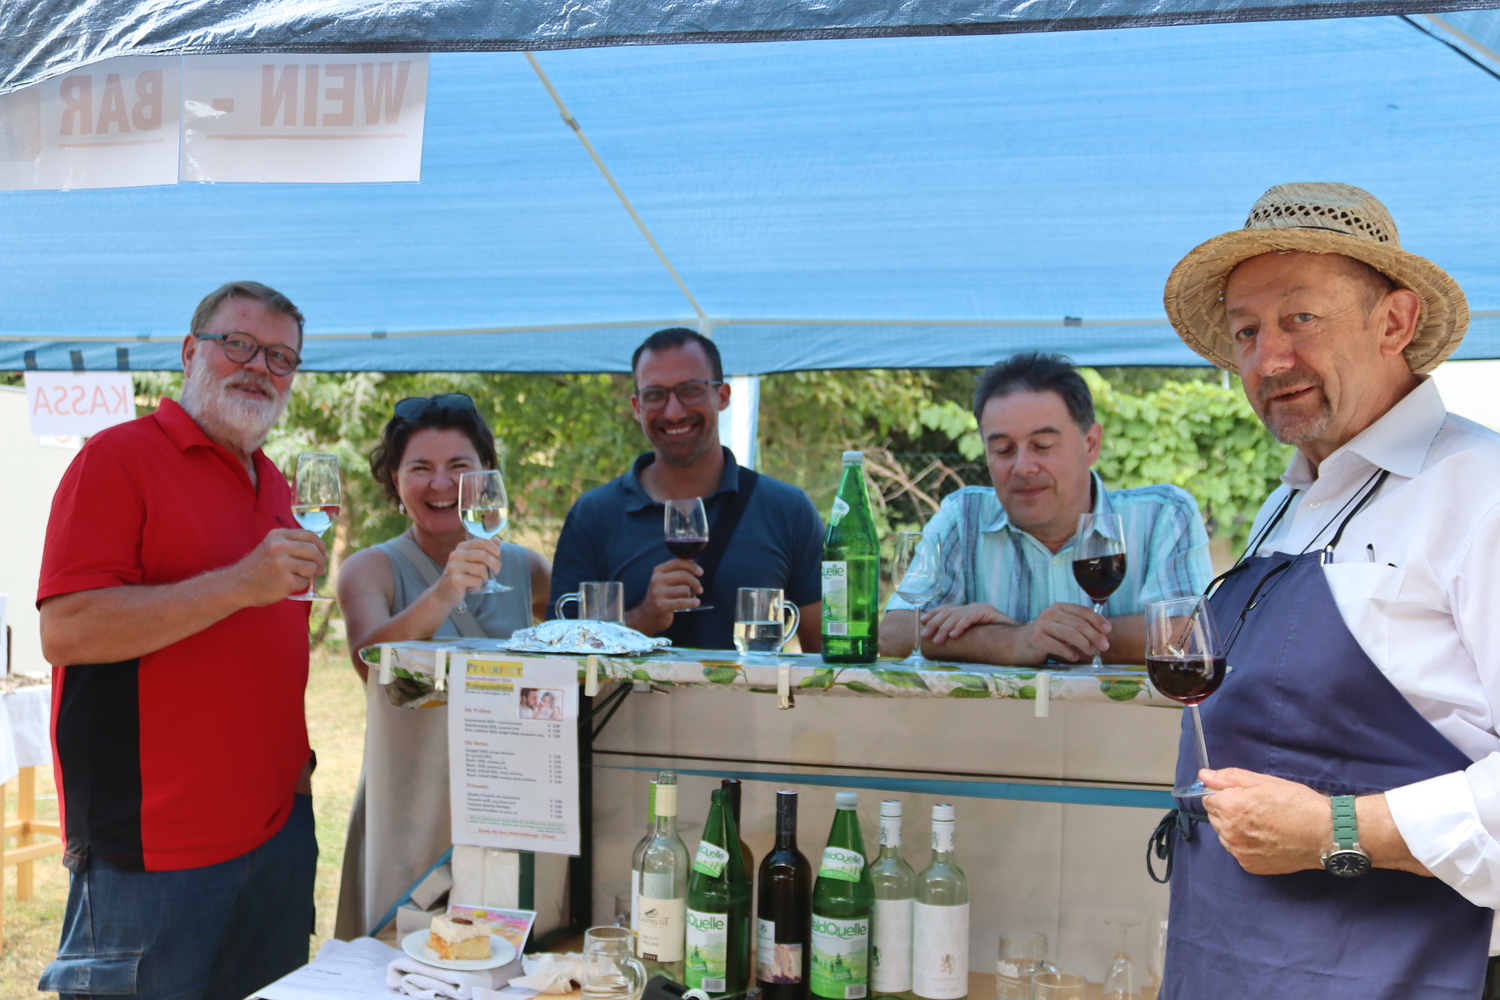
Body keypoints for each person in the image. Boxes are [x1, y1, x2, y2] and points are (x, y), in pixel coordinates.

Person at [1154, 182, 1500, 998]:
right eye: (1247, 331)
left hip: (1404, 970)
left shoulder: (1481, 491)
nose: (1268, 360)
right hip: (1232, 959)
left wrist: (1335, 829)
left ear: (1395, 323)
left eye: (1301, 318)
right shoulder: (1290, 503)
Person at [36, 281, 322, 1000]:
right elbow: (66, 630)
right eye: (239, 344)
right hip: (153, 852)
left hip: (277, 833)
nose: (259, 367)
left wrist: (294, 775)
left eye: (281, 357)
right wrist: (238, 584)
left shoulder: (277, 483)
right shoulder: (117, 458)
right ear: (191, 351)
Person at [333, 393, 549, 940]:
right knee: (400, 956)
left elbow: (581, 647)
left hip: (511, 803)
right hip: (410, 805)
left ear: (486, 476)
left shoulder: (527, 568)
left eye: (459, 466)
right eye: (420, 468)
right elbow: (370, 665)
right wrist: (445, 591)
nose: (440, 484)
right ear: (394, 480)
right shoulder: (369, 568)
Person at [879, 352, 1211, 665]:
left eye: (1043, 445)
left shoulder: (1162, 515)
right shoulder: (963, 516)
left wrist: (1037, 639)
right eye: (1003, 449)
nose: (1023, 467)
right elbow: (895, 633)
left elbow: (1189, 635)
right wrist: (1015, 640)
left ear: (1090, 444)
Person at [550, 327, 823, 651]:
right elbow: (560, 657)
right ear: (637, 407)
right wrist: (642, 618)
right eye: (655, 395)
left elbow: (826, 658)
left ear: (722, 396)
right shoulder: (593, 515)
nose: (674, 411)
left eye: (690, 390)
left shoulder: (788, 510)